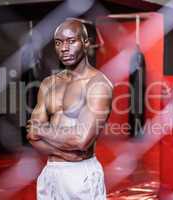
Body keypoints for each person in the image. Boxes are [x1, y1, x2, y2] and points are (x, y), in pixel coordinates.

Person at [26, 19, 113, 199]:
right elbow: (31, 136)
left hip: (80, 174)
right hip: (50, 171)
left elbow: (81, 140)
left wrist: (42, 130)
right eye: (58, 43)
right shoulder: (48, 84)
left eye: (71, 41)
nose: (64, 48)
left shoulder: (98, 84)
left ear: (86, 42)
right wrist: (60, 152)